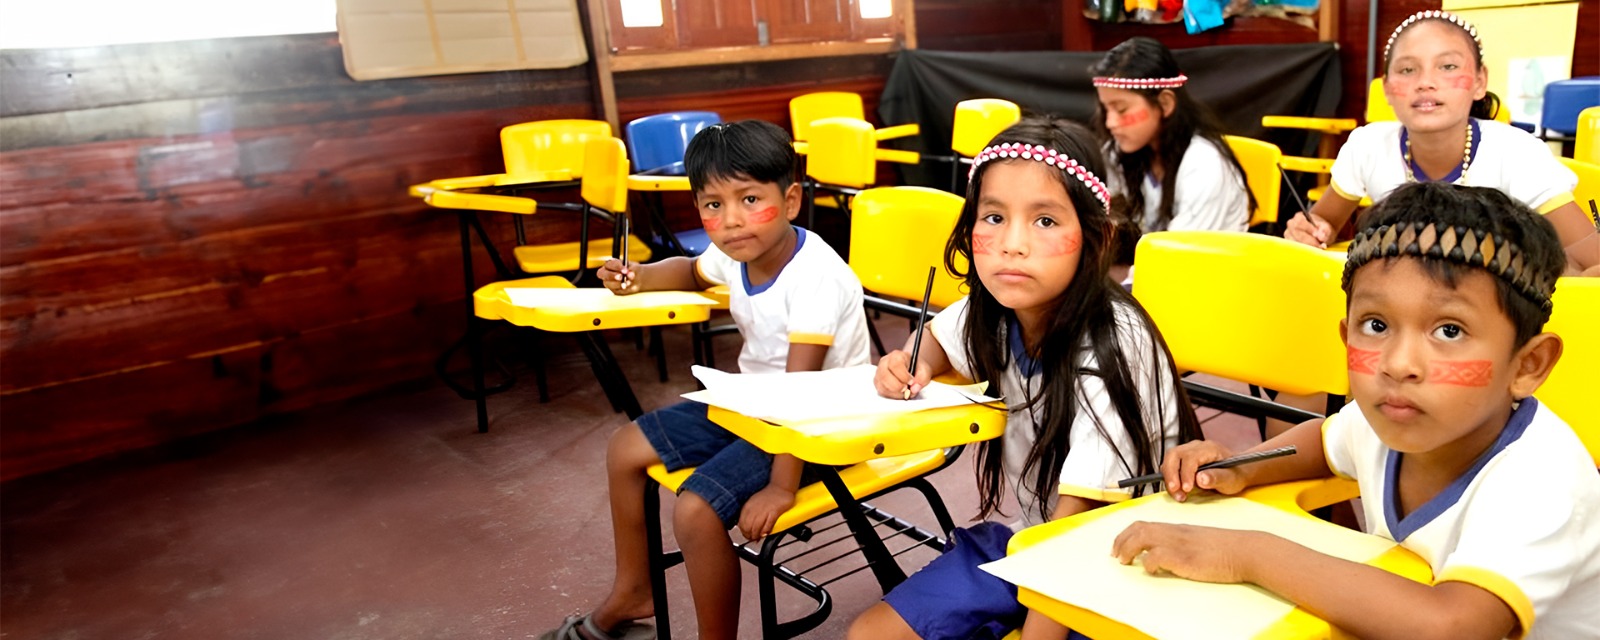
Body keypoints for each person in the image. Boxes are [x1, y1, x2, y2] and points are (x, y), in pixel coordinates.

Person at [1115, 183, 1600, 640]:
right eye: (1376, 324)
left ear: (1528, 364)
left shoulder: (1544, 479)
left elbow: (1449, 626)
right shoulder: (1389, 416)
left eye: (1449, 331)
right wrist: (1240, 468)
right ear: (1346, 337)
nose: (1398, 364)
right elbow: (1322, 443)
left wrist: (1246, 553)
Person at [846, 117, 1202, 640]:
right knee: (870, 636)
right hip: (1033, 538)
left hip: (1121, 558)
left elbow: (1076, 531)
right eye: (993, 216)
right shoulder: (1000, 306)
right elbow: (942, 339)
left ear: (1097, 238)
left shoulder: (1114, 343)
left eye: (1044, 221)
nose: (1012, 244)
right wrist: (910, 361)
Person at [539, 120, 871, 640]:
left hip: (820, 427)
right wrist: (641, 277)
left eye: (748, 199)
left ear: (789, 201)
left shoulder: (817, 279)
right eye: (713, 205)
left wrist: (783, 486)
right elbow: (694, 272)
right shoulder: (738, 249)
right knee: (624, 448)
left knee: (695, 511)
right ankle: (635, 590)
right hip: (755, 404)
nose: (732, 220)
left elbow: (800, 392)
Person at [1286, 9, 1598, 277]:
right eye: (1407, 70)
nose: (1425, 82)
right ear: (1387, 90)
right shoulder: (1366, 146)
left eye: (1447, 67)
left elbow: (1590, 260)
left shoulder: (1518, 155)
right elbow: (1328, 223)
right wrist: (1310, 231)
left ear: (1479, 82)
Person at [1090, 37, 1255, 253]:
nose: (1110, 123)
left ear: (1165, 104)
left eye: (1121, 110)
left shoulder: (1205, 164)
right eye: (1105, 109)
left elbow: (1177, 257)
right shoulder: (1119, 153)